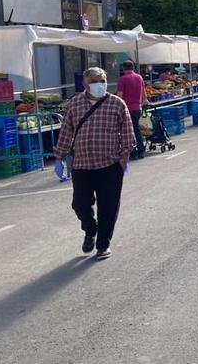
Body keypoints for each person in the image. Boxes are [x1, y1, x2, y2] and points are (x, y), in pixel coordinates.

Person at [53, 67, 135, 261]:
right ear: (86, 84)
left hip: (109, 164)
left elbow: (128, 131)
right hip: (82, 165)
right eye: (96, 81)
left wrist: (124, 157)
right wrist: (59, 157)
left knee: (108, 207)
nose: (101, 84)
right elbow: (66, 132)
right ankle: (90, 230)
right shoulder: (74, 104)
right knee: (80, 204)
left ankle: (103, 244)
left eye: (103, 80)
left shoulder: (116, 103)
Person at [116, 60, 148, 160]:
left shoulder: (122, 79)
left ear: (123, 68)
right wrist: (144, 101)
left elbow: (120, 96)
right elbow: (143, 92)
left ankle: (132, 152)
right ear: (133, 67)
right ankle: (141, 150)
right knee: (137, 130)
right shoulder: (139, 77)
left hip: (126, 109)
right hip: (137, 108)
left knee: (128, 131)